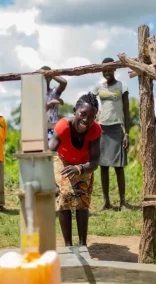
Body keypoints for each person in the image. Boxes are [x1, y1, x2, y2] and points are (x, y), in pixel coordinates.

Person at [49, 92, 101, 247]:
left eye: (91, 117)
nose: (86, 120)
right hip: (62, 160)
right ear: (75, 111)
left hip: (83, 164)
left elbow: (95, 162)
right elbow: (49, 152)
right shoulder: (63, 127)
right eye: (83, 114)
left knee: (82, 201)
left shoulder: (95, 130)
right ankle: (68, 245)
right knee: (64, 197)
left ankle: (83, 244)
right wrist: (50, 179)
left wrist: (79, 168)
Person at [92, 57, 130, 211]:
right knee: (103, 166)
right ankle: (106, 201)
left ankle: (122, 202)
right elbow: (90, 101)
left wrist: (127, 133)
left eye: (109, 69)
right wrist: (95, 114)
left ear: (115, 69)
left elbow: (126, 112)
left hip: (117, 128)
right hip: (102, 129)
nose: (106, 72)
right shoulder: (99, 88)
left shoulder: (122, 86)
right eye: (104, 69)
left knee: (119, 166)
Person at [37, 66, 67, 141]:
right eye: (44, 77)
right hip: (41, 128)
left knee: (54, 150)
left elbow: (64, 82)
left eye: (48, 77)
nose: (46, 79)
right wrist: (50, 103)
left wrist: (50, 74)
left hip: (54, 127)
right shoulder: (37, 94)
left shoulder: (54, 92)